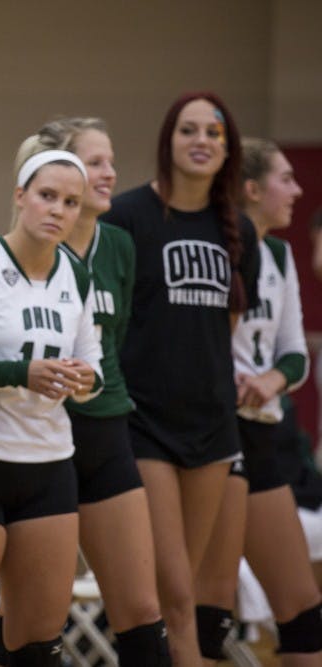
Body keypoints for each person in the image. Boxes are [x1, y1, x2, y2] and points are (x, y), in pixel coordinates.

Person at [0, 118, 169, 666]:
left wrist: (89, 379)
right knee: (27, 621)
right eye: (95, 163)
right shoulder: (5, 257)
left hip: (105, 432)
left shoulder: (119, 247)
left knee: (142, 610)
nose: (108, 174)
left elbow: (113, 344)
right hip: (32, 441)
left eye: (110, 162)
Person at [102, 91, 260, 666]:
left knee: (184, 593)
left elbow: (226, 330)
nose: (201, 141)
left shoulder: (240, 231)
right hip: (146, 423)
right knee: (173, 595)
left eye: (213, 133)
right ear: (167, 141)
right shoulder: (126, 217)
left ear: (228, 149)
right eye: (188, 130)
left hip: (213, 427)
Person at [0, 144, 103, 666]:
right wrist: (22, 373)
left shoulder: (77, 274)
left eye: (71, 202)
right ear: (20, 196)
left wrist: (84, 379)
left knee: (36, 642)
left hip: (51, 464)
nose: (58, 210)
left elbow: (95, 366)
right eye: (47, 196)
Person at [196, 138, 321, 665]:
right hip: (212, 434)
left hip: (263, 432)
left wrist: (272, 379)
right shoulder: (209, 249)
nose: (297, 190)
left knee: (303, 611)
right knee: (209, 610)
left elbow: (293, 353)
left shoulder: (279, 255)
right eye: (284, 179)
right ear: (250, 188)